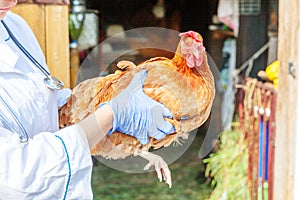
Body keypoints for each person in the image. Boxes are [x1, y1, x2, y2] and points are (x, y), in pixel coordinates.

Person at [0, 0, 174, 199]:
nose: (11, 2)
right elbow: (18, 175)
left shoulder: (14, 27)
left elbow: (50, 104)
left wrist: (131, 144)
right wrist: (111, 114)